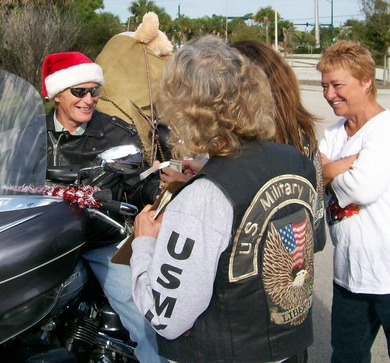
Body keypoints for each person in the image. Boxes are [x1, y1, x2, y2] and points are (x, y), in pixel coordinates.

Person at [130, 36, 318, 362]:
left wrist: (144, 243)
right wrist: (207, 172)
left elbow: (165, 317)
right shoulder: (294, 160)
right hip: (288, 348)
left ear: (184, 108)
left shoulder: (202, 198)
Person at [316, 40, 390, 363]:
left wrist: (328, 170)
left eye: (337, 85)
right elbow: (312, 175)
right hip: (350, 277)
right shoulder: (334, 132)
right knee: (346, 357)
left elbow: (362, 188)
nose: (329, 94)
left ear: (366, 81)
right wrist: (342, 165)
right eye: (324, 86)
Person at [41, 51, 165, 362]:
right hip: (41, 240)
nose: (89, 99)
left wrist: (159, 188)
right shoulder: (30, 133)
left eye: (94, 91)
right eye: (79, 91)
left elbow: (138, 184)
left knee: (142, 312)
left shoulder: (115, 133)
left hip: (98, 239)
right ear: (57, 95)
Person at [159, 39, 326, 253]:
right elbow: (313, 231)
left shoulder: (258, 149)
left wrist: (199, 188)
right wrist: (210, 173)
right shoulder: (298, 146)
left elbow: (240, 207)